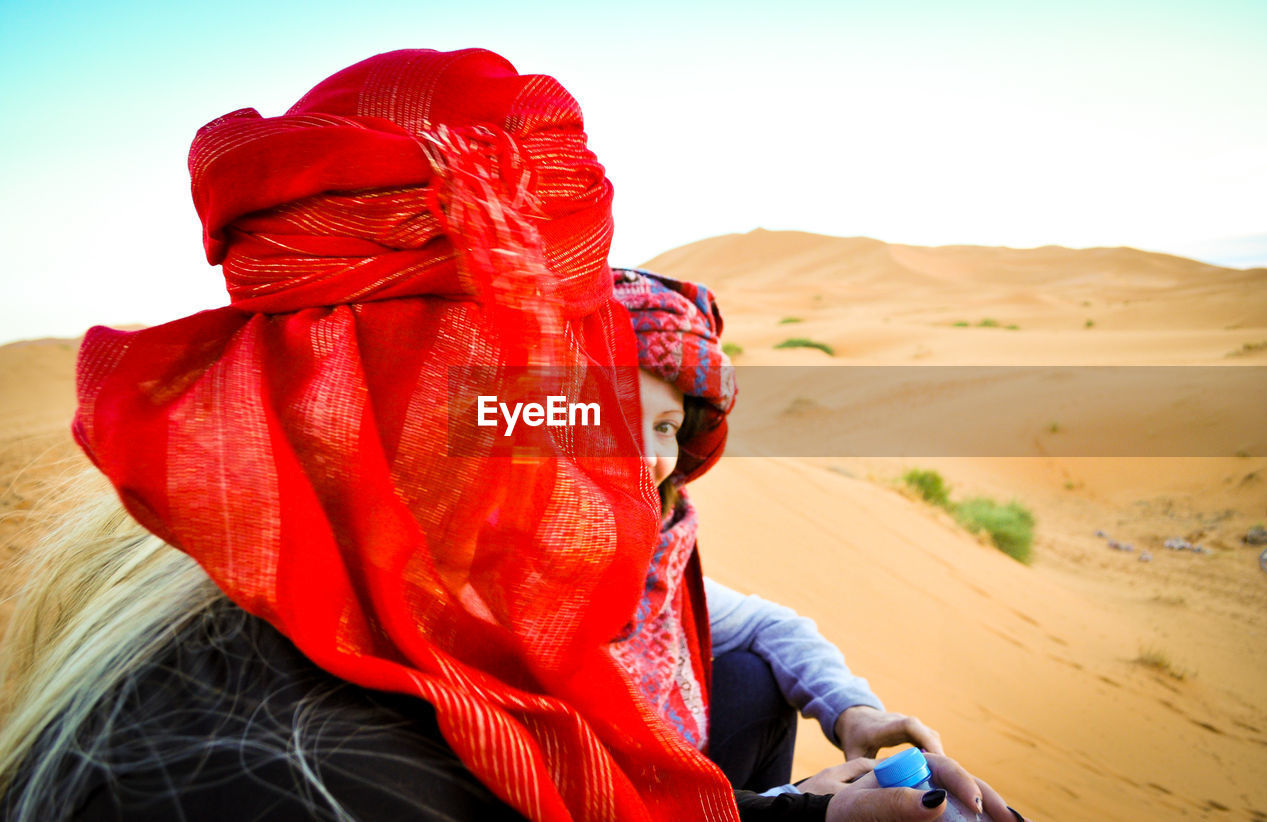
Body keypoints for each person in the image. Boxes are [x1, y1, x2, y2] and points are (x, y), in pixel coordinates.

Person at [0, 47, 1020, 822]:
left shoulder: (314, 596)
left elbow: (752, 631)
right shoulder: (303, 774)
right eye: (563, 355)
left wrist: (834, 737)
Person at [610, 268, 1029, 821]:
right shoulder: (502, 590)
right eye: (615, 416)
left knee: (752, 674)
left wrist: (853, 713)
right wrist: (808, 810)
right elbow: (600, 798)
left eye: (665, 425)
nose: (647, 456)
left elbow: (769, 625)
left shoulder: (649, 570)